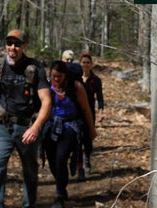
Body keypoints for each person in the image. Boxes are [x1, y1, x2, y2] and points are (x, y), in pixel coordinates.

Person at [0, 29, 52, 208]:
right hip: (4, 126)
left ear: (24, 46)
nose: (13, 47)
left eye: (17, 44)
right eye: (9, 43)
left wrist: (36, 128)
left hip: (27, 127)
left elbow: (47, 101)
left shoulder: (35, 68)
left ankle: (29, 204)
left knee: (30, 171)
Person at [42, 60, 97, 208]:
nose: (56, 79)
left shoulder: (76, 87)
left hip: (70, 126)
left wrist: (91, 129)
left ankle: (59, 194)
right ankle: (62, 183)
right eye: (53, 76)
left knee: (61, 157)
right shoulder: (47, 86)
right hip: (51, 125)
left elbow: (86, 109)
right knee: (52, 160)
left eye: (59, 76)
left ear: (65, 75)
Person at [77, 52, 104, 180]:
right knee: (76, 139)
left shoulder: (96, 80)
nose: (86, 65)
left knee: (88, 139)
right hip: (76, 113)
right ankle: (79, 167)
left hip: (89, 113)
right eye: (83, 62)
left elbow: (100, 97)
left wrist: (101, 112)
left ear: (91, 64)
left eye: (88, 62)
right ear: (80, 64)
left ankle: (86, 158)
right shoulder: (75, 79)